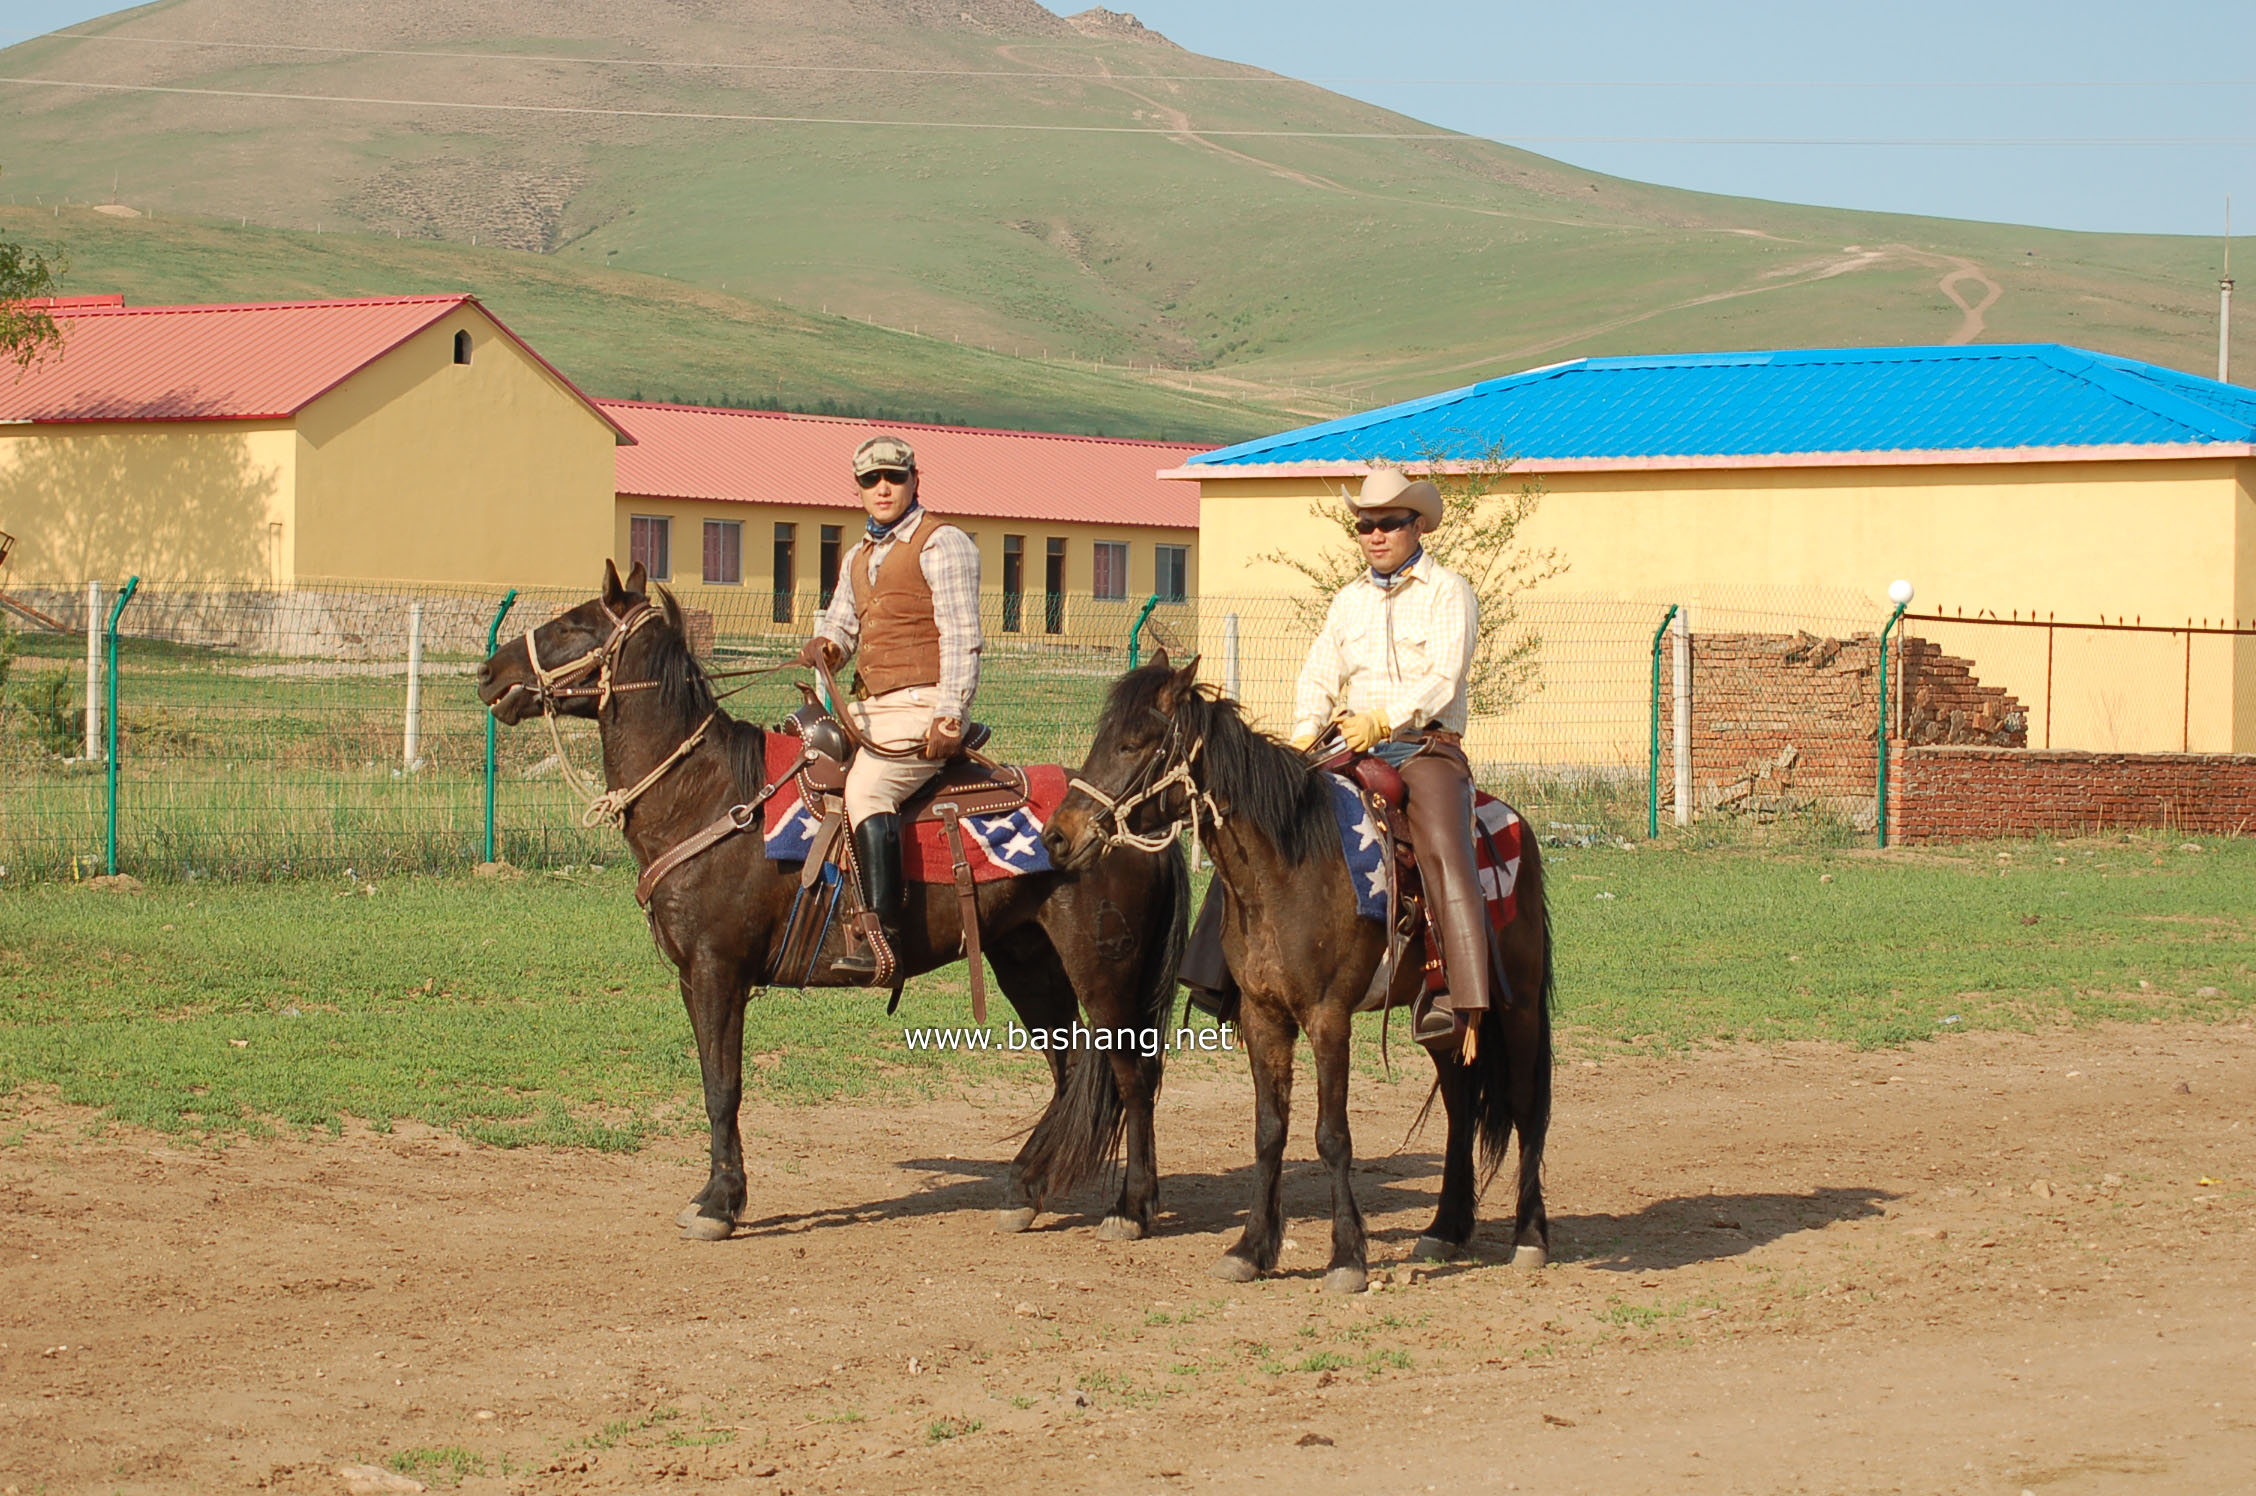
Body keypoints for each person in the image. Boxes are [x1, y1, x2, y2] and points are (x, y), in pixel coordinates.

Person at [1289, 466, 1490, 1052]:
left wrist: (1385, 718)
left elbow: (1445, 677)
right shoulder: (1347, 600)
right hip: (1349, 745)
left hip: (1424, 746)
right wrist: (1304, 734)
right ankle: (1226, 973)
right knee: (1269, 808)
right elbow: (1320, 671)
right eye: (1365, 525)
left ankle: (1454, 991)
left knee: (1444, 848)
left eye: (1388, 523)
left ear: (1417, 525)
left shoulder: (1449, 591)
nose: (1375, 535)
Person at [794, 435, 982, 978]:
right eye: (870, 480)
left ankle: (883, 937)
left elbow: (962, 634)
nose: (882, 488)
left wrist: (951, 715)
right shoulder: (858, 555)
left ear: (914, 480)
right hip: (869, 711)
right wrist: (826, 646)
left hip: (924, 706)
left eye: (893, 478)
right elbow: (840, 625)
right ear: (858, 489)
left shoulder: (941, 544)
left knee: (867, 788)